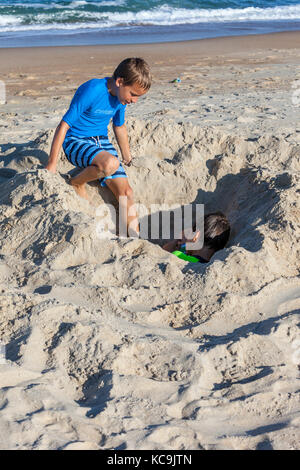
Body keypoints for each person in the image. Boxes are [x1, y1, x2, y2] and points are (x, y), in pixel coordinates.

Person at [45, 57, 152, 236]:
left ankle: (134, 241)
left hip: (100, 142)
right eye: (133, 94)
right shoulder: (93, 90)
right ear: (119, 82)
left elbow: (119, 126)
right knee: (110, 163)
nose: (134, 101)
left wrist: (127, 157)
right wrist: (52, 164)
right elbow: (64, 125)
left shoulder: (120, 98)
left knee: (127, 193)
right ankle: (77, 182)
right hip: (76, 141)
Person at [163, 212, 230, 263]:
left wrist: (177, 241)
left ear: (196, 235)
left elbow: (163, 252)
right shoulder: (211, 264)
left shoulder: (177, 256)